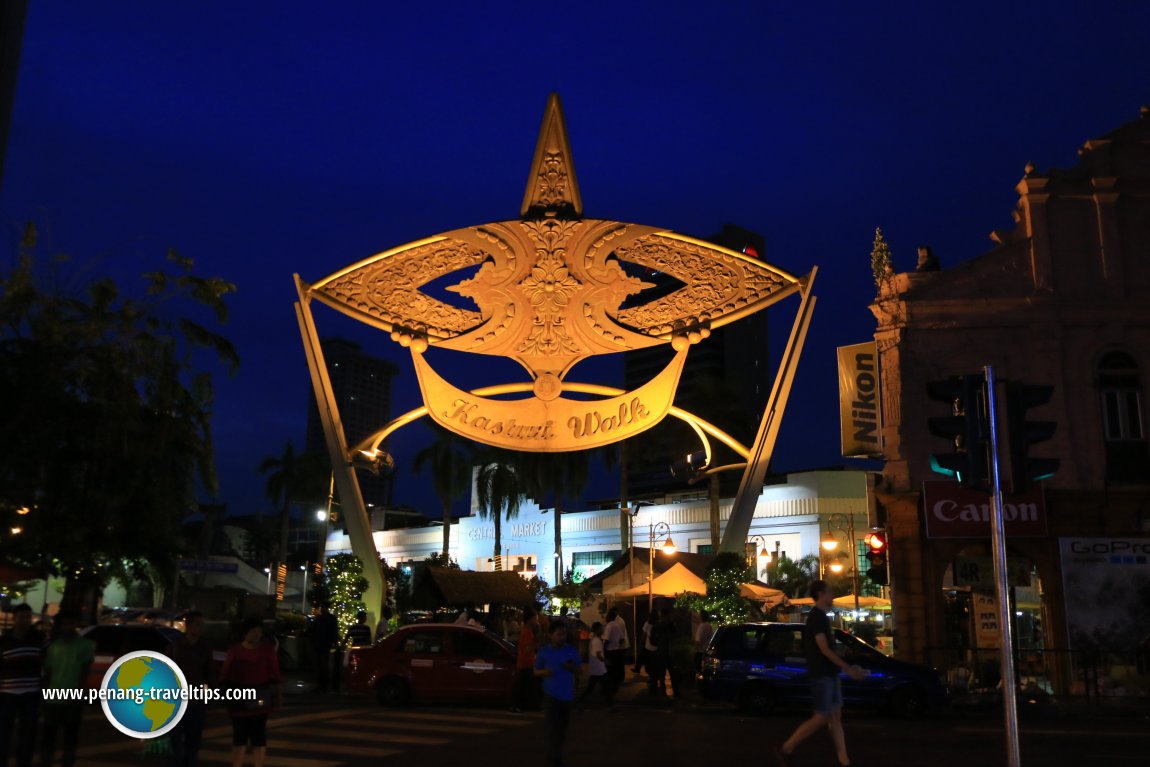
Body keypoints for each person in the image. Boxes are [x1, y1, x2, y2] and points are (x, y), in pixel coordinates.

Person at [776, 580, 866, 767]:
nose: (832, 596)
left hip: (829, 673)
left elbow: (827, 649)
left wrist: (846, 667)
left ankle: (844, 759)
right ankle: (787, 747)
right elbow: (824, 649)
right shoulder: (817, 618)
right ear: (821, 594)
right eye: (830, 592)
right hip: (822, 674)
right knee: (822, 716)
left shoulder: (821, 617)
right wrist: (848, 668)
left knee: (834, 716)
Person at [220, 618, 281, 767]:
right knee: (239, 735)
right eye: (254, 631)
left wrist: (278, 695)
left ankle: (258, 764)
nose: (257, 635)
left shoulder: (267, 650)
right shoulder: (235, 651)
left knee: (258, 734)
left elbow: (275, 675)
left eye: (259, 631)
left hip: (260, 695)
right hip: (239, 696)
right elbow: (225, 675)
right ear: (245, 633)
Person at [40, 609, 94, 767]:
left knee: (70, 739)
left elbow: (85, 673)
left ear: (76, 625)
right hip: (53, 698)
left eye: (71, 623)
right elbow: (48, 673)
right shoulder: (53, 646)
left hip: (72, 698)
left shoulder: (85, 645)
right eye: (65, 624)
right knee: (48, 738)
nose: (68, 627)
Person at [167, 611, 215, 767]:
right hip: (176, 701)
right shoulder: (175, 646)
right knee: (175, 740)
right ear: (188, 626)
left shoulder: (204, 648)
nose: (201, 629)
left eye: (203, 625)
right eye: (198, 625)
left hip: (197, 701)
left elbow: (210, 674)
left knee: (193, 740)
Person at [0, 603, 45, 767]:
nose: (25, 620)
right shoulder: (4, 641)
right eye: (22, 617)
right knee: (3, 733)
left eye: (28, 617)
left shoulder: (38, 639)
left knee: (28, 734)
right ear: (14, 619)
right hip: (7, 693)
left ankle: (23, 762)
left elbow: (45, 666)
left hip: (31, 693)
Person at [534, 620, 581, 767]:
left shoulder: (571, 650)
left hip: (566, 696)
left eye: (564, 634)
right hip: (551, 696)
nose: (562, 637)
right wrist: (544, 672)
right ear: (550, 635)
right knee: (553, 728)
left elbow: (580, 670)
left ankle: (554, 755)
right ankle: (555, 759)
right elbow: (535, 671)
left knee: (562, 730)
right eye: (559, 634)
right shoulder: (544, 652)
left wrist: (571, 667)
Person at [510, 607, 540, 713]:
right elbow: (527, 648)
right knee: (524, 686)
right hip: (525, 663)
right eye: (535, 617)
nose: (537, 619)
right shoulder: (526, 632)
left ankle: (522, 705)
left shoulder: (528, 631)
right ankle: (518, 705)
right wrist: (536, 643)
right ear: (529, 619)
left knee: (525, 686)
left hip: (527, 663)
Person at [578, 622, 612, 708]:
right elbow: (598, 654)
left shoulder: (594, 639)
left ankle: (580, 700)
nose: (603, 629)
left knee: (593, 687)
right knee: (606, 687)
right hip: (599, 669)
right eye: (601, 628)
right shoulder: (597, 641)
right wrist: (605, 661)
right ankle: (610, 705)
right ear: (597, 630)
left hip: (597, 669)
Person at [309, 605, 339, 694]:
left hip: (321, 644)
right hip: (325, 644)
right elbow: (334, 632)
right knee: (323, 664)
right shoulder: (330, 619)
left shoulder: (320, 619)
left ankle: (322, 684)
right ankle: (324, 685)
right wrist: (335, 642)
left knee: (322, 664)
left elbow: (313, 630)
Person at [601, 607, 626, 694]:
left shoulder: (609, 626)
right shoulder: (617, 625)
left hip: (610, 652)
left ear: (608, 617)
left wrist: (603, 650)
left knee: (608, 670)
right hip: (617, 651)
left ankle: (608, 689)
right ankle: (615, 688)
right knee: (615, 670)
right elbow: (622, 639)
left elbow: (606, 640)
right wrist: (616, 644)